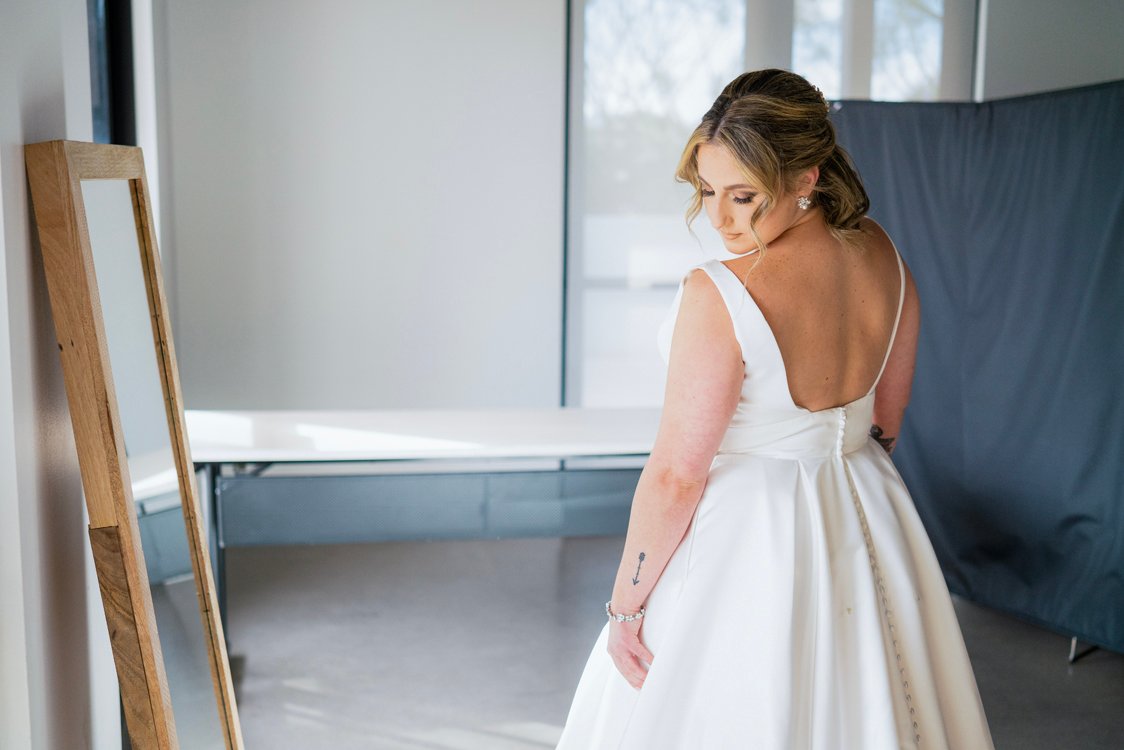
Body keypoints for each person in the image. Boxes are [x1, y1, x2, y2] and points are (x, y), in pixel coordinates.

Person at [555, 69, 995, 749]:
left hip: (747, 535)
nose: (720, 220)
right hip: (870, 510)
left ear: (806, 178)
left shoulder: (720, 293)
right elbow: (888, 418)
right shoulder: (884, 253)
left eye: (743, 196)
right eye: (707, 192)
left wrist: (626, 607)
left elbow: (676, 475)